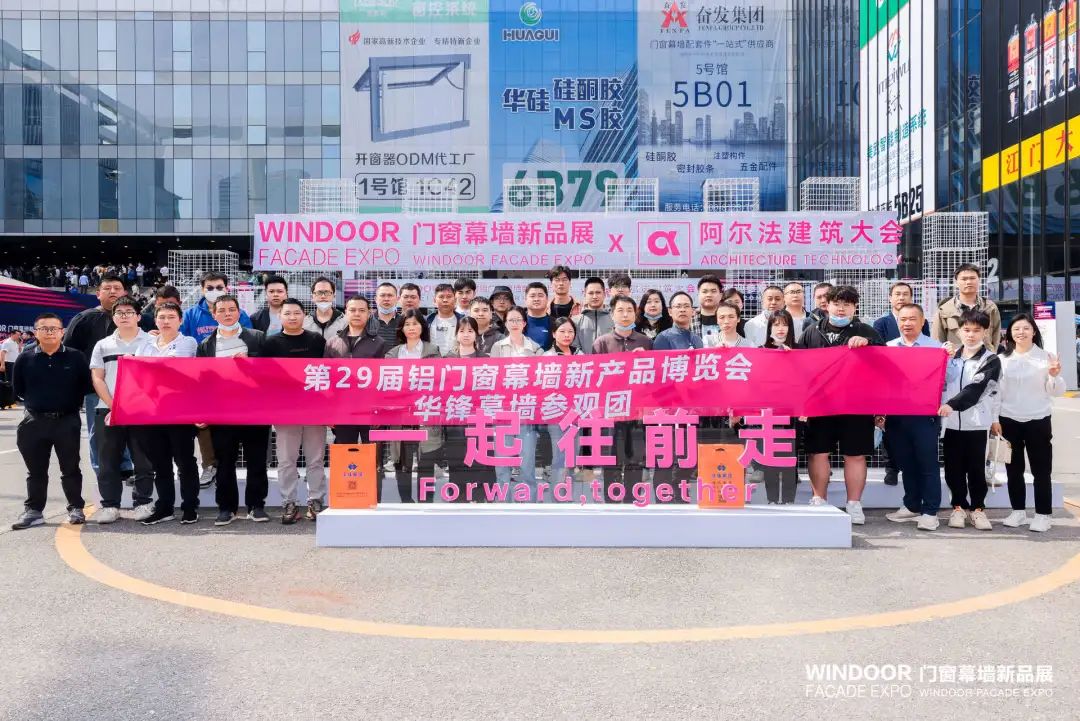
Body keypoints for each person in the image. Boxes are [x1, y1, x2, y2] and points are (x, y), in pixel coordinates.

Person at [797, 285, 885, 524]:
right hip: (820, 404)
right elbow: (799, 367)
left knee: (855, 455)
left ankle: (854, 504)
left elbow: (885, 364)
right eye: (837, 303)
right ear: (827, 305)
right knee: (818, 453)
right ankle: (819, 499)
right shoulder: (811, 331)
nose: (841, 308)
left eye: (847, 304)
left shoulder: (867, 331)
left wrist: (868, 344)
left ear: (855, 307)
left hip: (856, 405)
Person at [10, 314, 93, 530]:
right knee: (36, 471)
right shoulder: (25, 358)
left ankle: (76, 508)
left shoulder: (76, 357)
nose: (49, 332)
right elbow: (18, 389)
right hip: (34, 422)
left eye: (54, 328)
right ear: (36, 332)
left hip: (67, 421)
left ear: (62, 332)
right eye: (44, 328)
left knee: (71, 468)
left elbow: (86, 385)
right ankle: (34, 511)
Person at [195, 295, 270, 525]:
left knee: (257, 459)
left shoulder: (257, 338)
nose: (227, 314)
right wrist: (202, 411)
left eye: (231, 309)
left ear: (239, 312)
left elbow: (271, 369)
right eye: (222, 310)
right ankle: (226, 508)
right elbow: (201, 382)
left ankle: (256, 505)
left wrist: (251, 360)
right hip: (222, 411)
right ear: (214, 314)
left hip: (255, 410)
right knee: (224, 461)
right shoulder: (206, 345)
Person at [994, 313, 1065, 533]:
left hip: (1038, 419)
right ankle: (1018, 511)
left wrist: (1054, 376)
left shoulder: (1046, 357)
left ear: (1034, 331)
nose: (1021, 332)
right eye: (1016, 329)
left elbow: (1056, 391)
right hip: (1008, 420)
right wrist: (995, 419)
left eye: (1026, 328)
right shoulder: (1002, 359)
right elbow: (997, 393)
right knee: (1013, 469)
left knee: (1041, 470)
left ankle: (1043, 514)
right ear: (1010, 334)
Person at [88, 295, 154, 524]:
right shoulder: (103, 345)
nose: (124, 316)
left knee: (143, 460)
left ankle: (143, 502)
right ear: (113, 317)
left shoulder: (152, 343)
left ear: (138, 316)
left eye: (129, 312)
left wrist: (137, 403)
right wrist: (113, 405)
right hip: (107, 410)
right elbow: (97, 377)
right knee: (108, 461)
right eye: (119, 313)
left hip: (142, 411)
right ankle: (110, 506)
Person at [134, 302, 201, 525]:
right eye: (161, 317)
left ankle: (190, 506)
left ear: (180, 321)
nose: (166, 321)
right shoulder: (145, 344)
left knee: (185, 461)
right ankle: (165, 507)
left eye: (171, 317)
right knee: (160, 463)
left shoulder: (188, 343)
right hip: (152, 411)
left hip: (180, 411)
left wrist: (156, 369)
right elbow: (138, 373)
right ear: (155, 321)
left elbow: (180, 372)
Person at [263, 298, 329, 523]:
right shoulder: (270, 343)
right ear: (279, 316)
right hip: (285, 412)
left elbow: (327, 373)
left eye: (296, 313)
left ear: (304, 315)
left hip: (314, 410)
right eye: (287, 313)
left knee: (315, 459)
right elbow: (264, 378)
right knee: (286, 460)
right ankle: (289, 502)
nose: (292, 317)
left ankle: (316, 500)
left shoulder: (317, 340)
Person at [883, 303, 946, 531]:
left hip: (924, 415)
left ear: (922, 322)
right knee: (906, 463)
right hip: (896, 415)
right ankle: (911, 505)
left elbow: (945, 381)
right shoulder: (888, 347)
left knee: (927, 464)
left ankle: (930, 511)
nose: (907, 323)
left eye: (912, 319)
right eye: (903, 319)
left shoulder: (936, 348)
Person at [938, 309, 1001, 531]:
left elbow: (978, 388)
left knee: (976, 469)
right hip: (951, 424)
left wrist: (952, 404)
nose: (971, 335)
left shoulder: (991, 360)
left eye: (976, 330)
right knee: (953, 469)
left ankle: (978, 509)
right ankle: (958, 507)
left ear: (985, 332)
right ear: (959, 332)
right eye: (966, 330)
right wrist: (941, 356)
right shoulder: (950, 358)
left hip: (977, 424)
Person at [63, 272, 128, 477]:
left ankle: (127, 468)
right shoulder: (84, 318)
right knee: (98, 431)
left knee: (129, 430)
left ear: (125, 293)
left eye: (117, 288)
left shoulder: (134, 318)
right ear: (98, 293)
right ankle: (102, 470)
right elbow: (69, 351)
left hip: (129, 388)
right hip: (95, 388)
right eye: (107, 288)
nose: (112, 292)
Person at [592, 297, 653, 503]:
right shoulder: (601, 343)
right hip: (611, 411)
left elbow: (654, 377)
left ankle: (633, 501)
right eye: (620, 310)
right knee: (612, 458)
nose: (625, 314)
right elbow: (595, 378)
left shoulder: (646, 342)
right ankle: (612, 501)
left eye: (629, 310)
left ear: (635, 313)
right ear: (612, 314)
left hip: (638, 411)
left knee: (635, 457)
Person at [873, 281, 931, 486]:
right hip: (890, 381)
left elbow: (926, 348)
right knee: (889, 427)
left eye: (905, 294)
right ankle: (891, 468)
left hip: (915, 382)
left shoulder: (922, 321)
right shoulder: (881, 323)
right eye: (897, 294)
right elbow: (878, 351)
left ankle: (911, 468)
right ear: (890, 298)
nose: (901, 297)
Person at [385, 310, 443, 503]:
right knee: (403, 461)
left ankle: (426, 502)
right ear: (401, 328)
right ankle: (406, 502)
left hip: (425, 412)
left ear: (422, 327)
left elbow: (439, 382)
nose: (411, 328)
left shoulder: (432, 351)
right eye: (407, 324)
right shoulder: (393, 354)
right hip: (401, 414)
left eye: (415, 324)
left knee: (426, 460)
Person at [490, 307, 544, 498]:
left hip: (526, 411)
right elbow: (493, 378)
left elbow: (540, 379)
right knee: (502, 461)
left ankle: (529, 501)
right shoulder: (498, 347)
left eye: (518, 320)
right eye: (510, 320)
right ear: (505, 323)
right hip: (503, 410)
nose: (514, 324)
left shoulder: (535, 348)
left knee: (527, 461)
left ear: (524, 323)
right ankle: (503, 501)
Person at [325, 294, 386, 448]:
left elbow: (383, 380)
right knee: (345, 451)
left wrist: (380, 411)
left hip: (369, 408)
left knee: (372, 452)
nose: (357, 314)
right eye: (352, 310)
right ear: (346, 312)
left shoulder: (379, 343)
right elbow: (326, 379)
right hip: (342, 409)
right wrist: (329, 411)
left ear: (369, 313)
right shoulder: (333, 342)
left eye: (361, 310)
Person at [444, 316, 493, 502]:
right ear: (456, 334)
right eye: (462, 331)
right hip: (455, 418)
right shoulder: (447, 359)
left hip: (480, 416)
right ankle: (458, 497)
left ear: (476, 334)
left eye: (470, 331)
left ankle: (480, 496)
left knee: (480, 458)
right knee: (458, 457)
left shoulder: (486, 359)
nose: (466, 335)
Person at [542, 317, 583, 495]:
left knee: (572, 457)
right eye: (562, 331)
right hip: (556, 414)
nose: (567, 335)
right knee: (559, 455)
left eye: (570, 332)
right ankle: (557, 496)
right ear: (553, 334)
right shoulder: (547, 357)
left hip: (576, 413)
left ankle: (568, 494)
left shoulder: (580, 355)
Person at [931, 263, 1002, 351]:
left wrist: (992, 354)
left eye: (972, 278)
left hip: (985, 357)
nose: (968, 282)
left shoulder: (990, 307)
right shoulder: (944, 310)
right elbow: (937, 341)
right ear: (956, 282)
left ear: (979, 280)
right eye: (964, 279)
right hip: (955, 358)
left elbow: (996, 336)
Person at [180, 272, 253, 343]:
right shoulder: (189, 315)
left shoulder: (239, 314)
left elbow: (247, 340)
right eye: (210, 288)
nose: (214, 291)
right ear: (202, 290)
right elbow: (181, 340)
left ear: (226, 289)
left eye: (219, 288)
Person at [572, 277, 613, 352]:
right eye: (591, 293)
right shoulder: (575, 321)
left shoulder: (614, 319)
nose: (594, 296)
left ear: (604, 294)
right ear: (585, 294)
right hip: (583, 360)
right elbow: (573, 348)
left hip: (610, 360)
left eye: (598, 292)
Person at [303, 277, 347, 341]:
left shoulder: (345, 322)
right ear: (312, 297)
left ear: (334, 296)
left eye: (327, 292)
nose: (323, 296)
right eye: (319, 292)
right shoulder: (304, 323)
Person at [427, 283, 463, 356]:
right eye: (441, 297)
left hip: (457, 361)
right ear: (434, 301)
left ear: (455, 300)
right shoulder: (427, 320)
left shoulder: (464, 320)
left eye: (449, 296)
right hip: (432, 361)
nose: (445, 300)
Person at [523, 282, 553, 351]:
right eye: (532, 296)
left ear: (547, 299)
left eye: (540, 296)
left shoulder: (555, 324)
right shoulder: (517, 321)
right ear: (526, 299)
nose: (536, 299)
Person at [373, 282, 401, 348]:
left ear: (397, 299)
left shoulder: (404, 322)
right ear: (375, 299)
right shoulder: (367, 322)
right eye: (382, 295)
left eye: (390, 295)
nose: (386, 299)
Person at [1, 329, 23, 403]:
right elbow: (2, 353)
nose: (19, 336)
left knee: (15, 381)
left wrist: (20, 346)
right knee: (10, 381)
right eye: (17, 335)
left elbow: (18, 352)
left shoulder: (15, 342)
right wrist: (2, 364)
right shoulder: (7, 342)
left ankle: (15, 396)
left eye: (19, 335)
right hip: (9, 363)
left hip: (14, 363)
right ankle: (10, 398)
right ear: (12, 334)